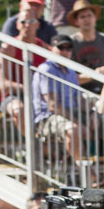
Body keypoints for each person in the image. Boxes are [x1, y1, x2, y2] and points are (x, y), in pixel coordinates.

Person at [0, 8, 48, 135]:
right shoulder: (9, 48)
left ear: (37, 24)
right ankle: (33, 146)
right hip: (14, 96)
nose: (27, 25)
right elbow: (2, 84)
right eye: (23, 21)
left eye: (31, 21)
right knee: (18, 109)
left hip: (40, 95)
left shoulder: (45, 48)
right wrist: (27, 87)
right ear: (17, 25)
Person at [32, 35, 82, 163]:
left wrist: (92, 116)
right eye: (61, 47)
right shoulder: (46, 69)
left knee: (99, 122)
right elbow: (53, 106)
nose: (65, 51)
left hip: (69, 112)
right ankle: (83, 170)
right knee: (72, 128)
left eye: (69, 48)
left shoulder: (71, 71)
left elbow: (79, 99)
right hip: (47, 117)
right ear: (51, 48)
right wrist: (77, 121)